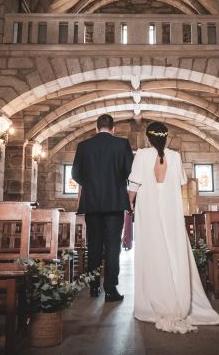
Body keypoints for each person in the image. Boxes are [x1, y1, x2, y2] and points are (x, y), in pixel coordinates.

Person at [128, 122, 219, 333]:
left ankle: (154, 300)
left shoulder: (142, 155)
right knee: (173, 251)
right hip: (170, 212)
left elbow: (133, 186)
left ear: (148, 138)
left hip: (149, 211)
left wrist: (130, 205)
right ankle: (177, 294)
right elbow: (180, 182)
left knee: (152, 251)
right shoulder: (174, 156)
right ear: (166, 137)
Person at [72, 114, 134, 302]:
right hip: (115, 202)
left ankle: (93, 286)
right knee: (113, 246)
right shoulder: (122, 144)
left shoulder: (84, 146)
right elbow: (129, 171)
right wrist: (117, 182)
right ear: (113, 129)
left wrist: (90, 185)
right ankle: (110, 289)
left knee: (94, 245)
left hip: (92, 203)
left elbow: (75, 174)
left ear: (96, 128)